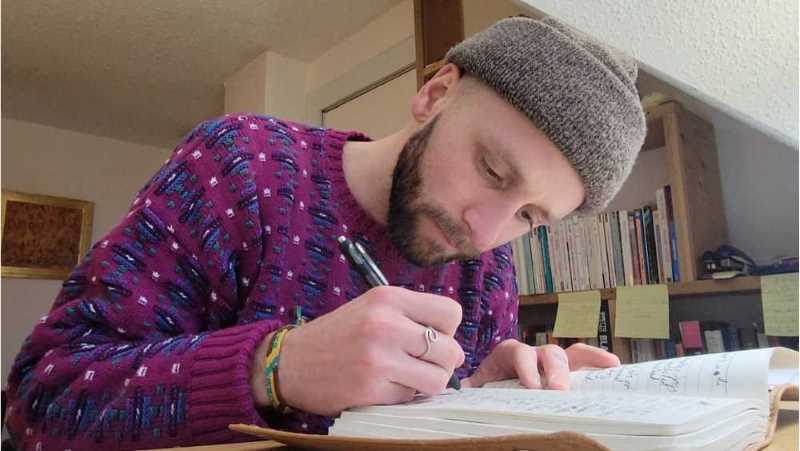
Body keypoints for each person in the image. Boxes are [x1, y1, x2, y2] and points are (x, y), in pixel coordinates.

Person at [4, 16, 646, 449]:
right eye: (491, 170)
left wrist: (485, 398)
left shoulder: (490, 272)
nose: (485, 232)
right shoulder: (242, 166)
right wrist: (274, 368)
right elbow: (40, 399)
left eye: (530, 217)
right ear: (435, 94)